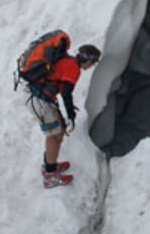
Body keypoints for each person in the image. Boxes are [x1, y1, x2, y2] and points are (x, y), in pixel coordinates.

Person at [26, 43, 100, 188]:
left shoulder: (68, 61)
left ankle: (50, 165)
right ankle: (49, 176)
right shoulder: (73, 68)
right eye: (92, 63)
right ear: (89, 61)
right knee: (55, 134)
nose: (91, 67)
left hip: (39, 98)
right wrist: (71, 115)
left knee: (55, 133)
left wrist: (69, 109)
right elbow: (66, 93)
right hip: (39, 100)